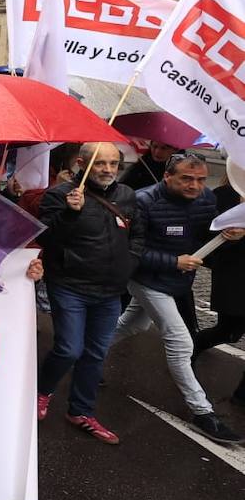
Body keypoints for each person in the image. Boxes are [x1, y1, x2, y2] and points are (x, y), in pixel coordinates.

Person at [109, 152, 243, 443]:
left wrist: (228, 234)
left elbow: (204, 235)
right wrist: (173, 262)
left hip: (177, 281)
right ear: (167, 176)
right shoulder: (143, 201)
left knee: (132, 326)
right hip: (145, 280)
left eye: (199, 179)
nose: (195, 185)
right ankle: (202, 412)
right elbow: (129, 250)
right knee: (181, 342)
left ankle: (84, 356)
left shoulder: (207, 199)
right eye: (186, 178)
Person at [35, 143, 143, 445]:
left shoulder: (127, 195)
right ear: (83, 163)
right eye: (100, 164)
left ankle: (80, 411)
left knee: (96, 354)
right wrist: (70, 213)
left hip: (110, 290)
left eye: (114, 164)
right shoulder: (60, 195)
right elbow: (45, 237)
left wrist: (129, 263)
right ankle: (42, 392)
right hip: (70, 286)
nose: (108, 170)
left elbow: (138, 235)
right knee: (69, 348)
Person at [195, 181, 245, 405]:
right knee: (228, 331)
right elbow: (207, 235)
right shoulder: (226, 195)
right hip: (235, 276)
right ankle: (190, 350)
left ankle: (242, 395)